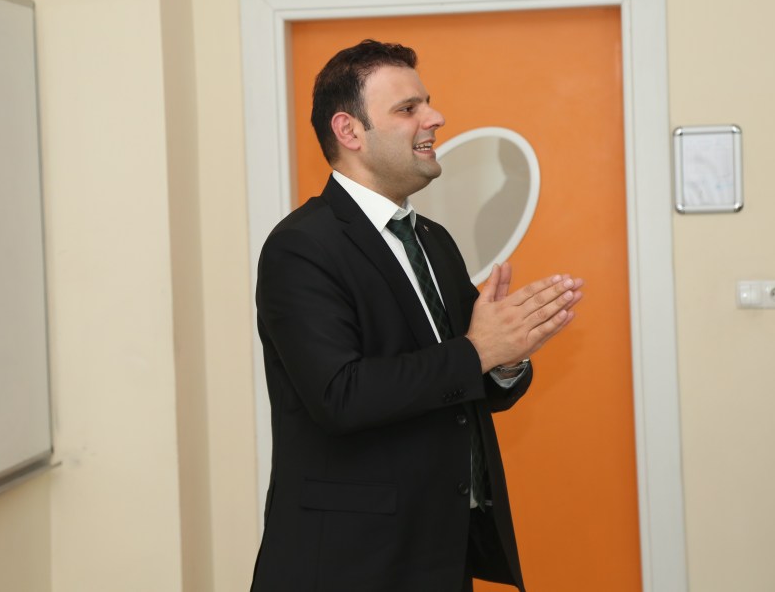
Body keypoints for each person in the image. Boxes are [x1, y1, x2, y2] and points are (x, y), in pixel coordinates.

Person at [250, 39, 583, 592]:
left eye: (426, 103)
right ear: (349, 131)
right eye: (408, 108)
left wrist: (505, 359)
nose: (435, 118)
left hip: (438, 553)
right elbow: (339, 396)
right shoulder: (301, 247)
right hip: (348, 564)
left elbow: (463, 384)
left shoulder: (433, 239)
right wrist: (478, 351)